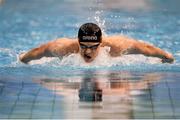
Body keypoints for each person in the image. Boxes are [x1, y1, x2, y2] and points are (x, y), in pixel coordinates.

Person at [19, 23, 174, 64]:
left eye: (93, 47)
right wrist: (23, 59)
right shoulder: (63, 48)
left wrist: (167, 56)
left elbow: (145, 49)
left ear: (100, 43)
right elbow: (39, 51)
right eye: (84, 46)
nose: (88, 52)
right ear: (78, 42)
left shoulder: (116, 47)